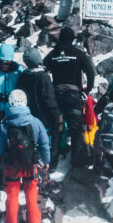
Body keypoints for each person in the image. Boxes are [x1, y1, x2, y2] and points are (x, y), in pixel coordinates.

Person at [0, 90, 51, 223]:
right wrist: (46, 161)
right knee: (32, 200)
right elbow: (45, 144)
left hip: (11, 168)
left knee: (12, 200)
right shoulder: (35, 122)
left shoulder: (5, 124)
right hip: (31, 167)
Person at [43, 26, 96, 167]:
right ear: (72, 39)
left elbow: (42, 69)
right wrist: (87, 90)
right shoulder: (78, 54)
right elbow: (90, 73)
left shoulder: (53, 54)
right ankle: (77, 164)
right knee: (76, 130)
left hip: (57, 98)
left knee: (57, 128)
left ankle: (52, 163)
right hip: (74, 98)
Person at [18, 46, 60, 167]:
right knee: (47, 142)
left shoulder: (23, 76)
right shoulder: (43, 77)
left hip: (27, 117)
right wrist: (57, 116)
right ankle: (49, 165)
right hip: (43, 118)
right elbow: (49, 100)